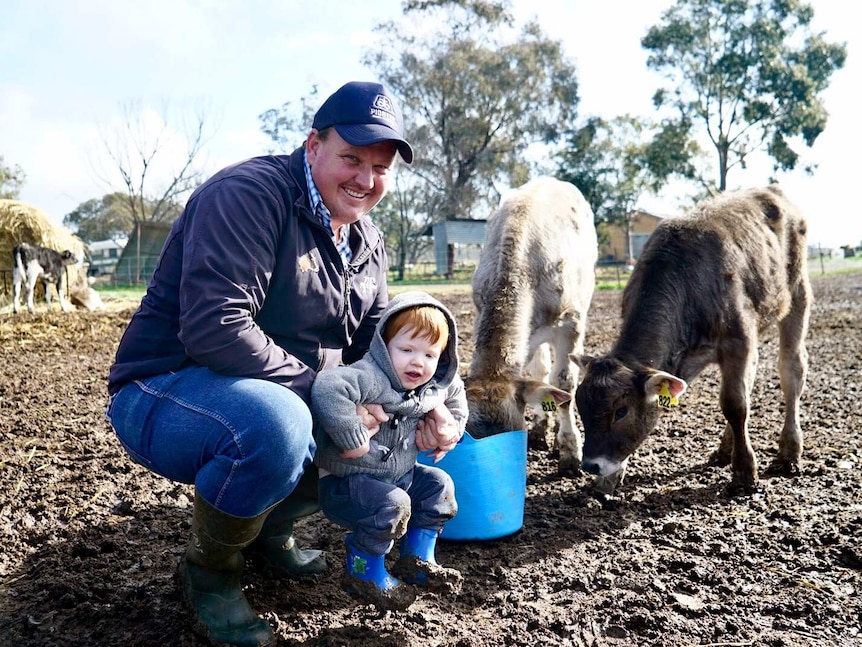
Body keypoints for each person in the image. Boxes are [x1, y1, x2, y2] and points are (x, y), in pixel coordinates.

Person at [105, 81, 425, 647]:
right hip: (167, 387)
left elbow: (380, 342)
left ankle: (270, 531)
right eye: (351, 158)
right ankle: (209, 574)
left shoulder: (366, 239)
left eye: (381, 168)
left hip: (272, 390)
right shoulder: (249, 196)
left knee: (373, 410)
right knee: (283, 423)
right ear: (312, 145)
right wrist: (323, 390)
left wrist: (428, 401)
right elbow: (215, 326)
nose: (366, 180)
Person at [311, 291, 466, 611]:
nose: (417, 362)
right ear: (384, 345)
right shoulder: (370, 377)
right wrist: (352, 436)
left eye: (430, 354)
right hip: (347, 485)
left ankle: (417, 560)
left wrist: (451, 429)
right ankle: (363, 571)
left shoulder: (433, 384)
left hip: (399, 476)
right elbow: (328, 387)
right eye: (406, 349)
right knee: (393, 504)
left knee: (439, 486)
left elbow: (455, 392)